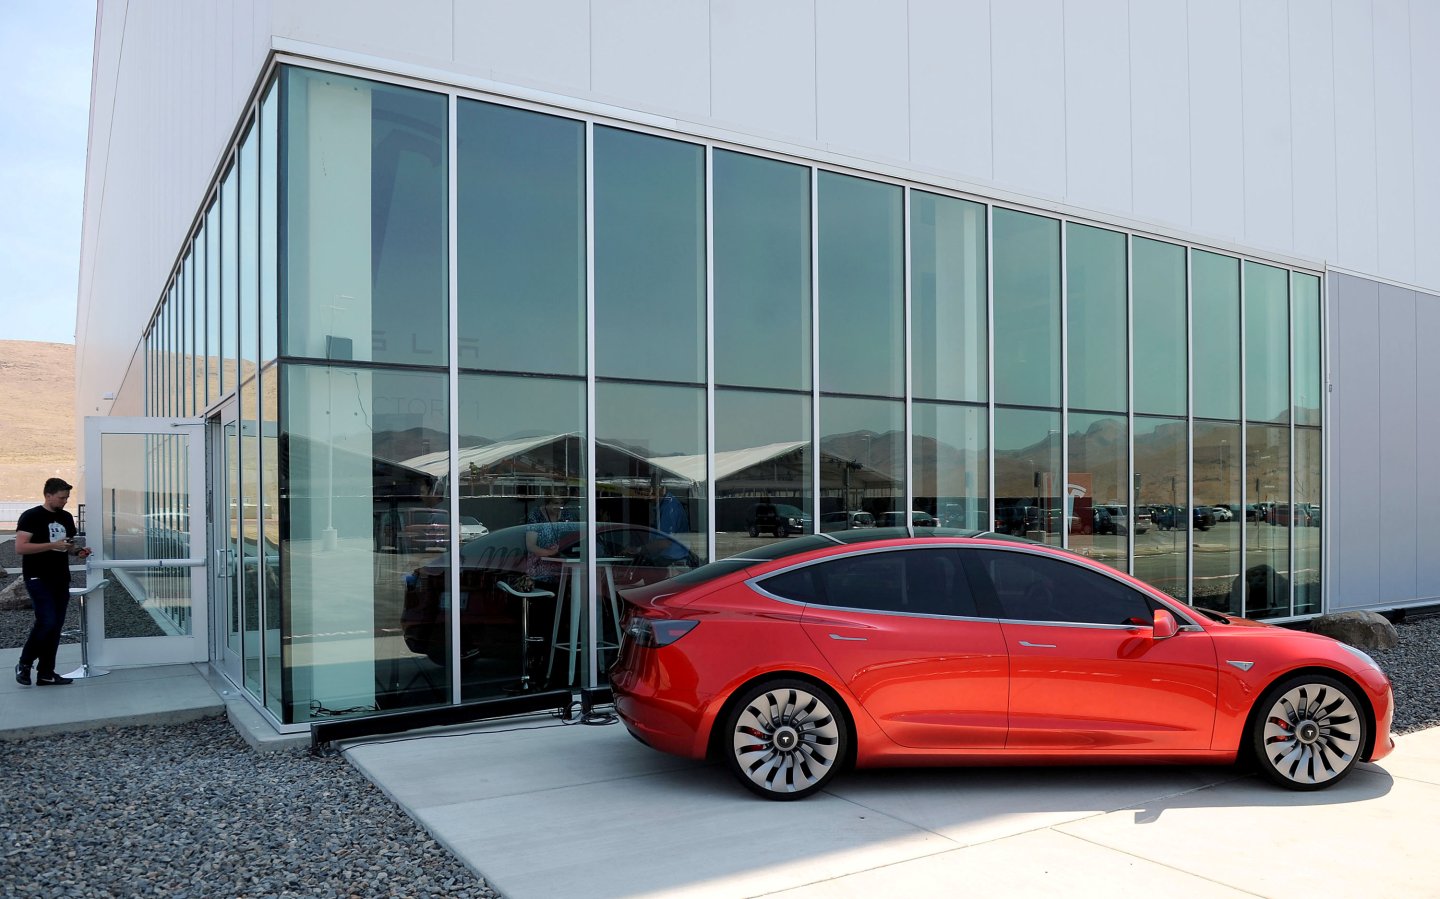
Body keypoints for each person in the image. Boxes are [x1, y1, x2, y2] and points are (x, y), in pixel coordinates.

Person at [14, 478, 93, 686]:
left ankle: (46, 673)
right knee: (46, 621)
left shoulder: (66, 517)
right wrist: (51, 545)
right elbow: (21, 548)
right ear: (48, 495)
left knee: (55, 626)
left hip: (60, 577)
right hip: (37, 577)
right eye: (61, 498)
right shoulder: (31, 517)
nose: (65, 501)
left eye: (67, 498)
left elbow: (67, 545)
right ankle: (24, 663)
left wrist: (78, 551)